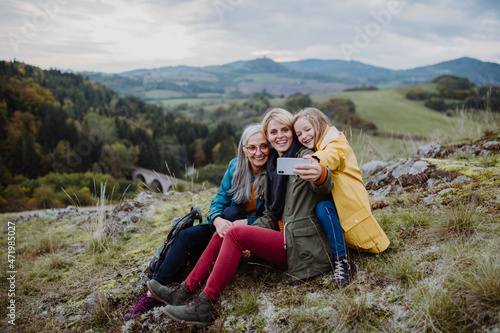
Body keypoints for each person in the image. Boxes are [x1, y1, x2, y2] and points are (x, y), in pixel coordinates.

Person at [157, 108, 334, 327]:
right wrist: (251, 233)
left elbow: (325, 183)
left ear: (292, 131)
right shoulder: (275, 167)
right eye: (273, 132)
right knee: (227, 231)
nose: (280, 136)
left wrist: (320, 174)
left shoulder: (304, 156)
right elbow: (271, 215)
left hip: (303, 245)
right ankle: (184, 290)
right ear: (268, 137)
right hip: (283, 236)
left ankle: (205, 304)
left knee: (236, 233)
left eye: (285, 130)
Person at [124, 124, 269, 320]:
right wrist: (217, 220)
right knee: (185, 236)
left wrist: (247, 224)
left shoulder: (274, 173)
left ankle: (193, 291)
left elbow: (272, 216)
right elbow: (219, 200)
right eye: (252, 147)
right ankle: (154, 294)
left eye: (264, 146)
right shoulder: (236, 166)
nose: (258, 152)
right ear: (244, 150)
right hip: (224, 227)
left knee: (234, 212)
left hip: (250, 233)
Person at [293, 107, 390, 286]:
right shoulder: (320, 145)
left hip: (351, 206)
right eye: (299, 134)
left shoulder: (336, 143)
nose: (304, 136)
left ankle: (342, 261)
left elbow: (333, 156)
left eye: (307, 129)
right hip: (339, 202)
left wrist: (315, 161)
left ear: (321, 124)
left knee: (323, 208)